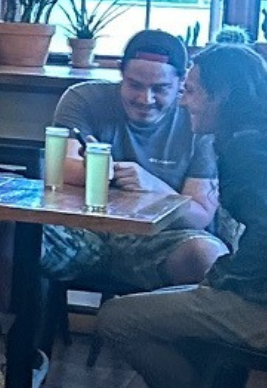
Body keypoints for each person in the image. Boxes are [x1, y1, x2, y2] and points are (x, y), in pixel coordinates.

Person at [99, 43, 267, 388]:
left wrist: (222, 278)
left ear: (221, 96)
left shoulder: (250, 148)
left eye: (190, 91)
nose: (183, 101)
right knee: (182, 307)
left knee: (118, 318)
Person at [43, 28, 226, 293]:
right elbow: (60, 169)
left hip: (157, 239)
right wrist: (99, 170)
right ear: (121, 73)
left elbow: (200, 215)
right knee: (3, 231)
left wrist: (153, 187)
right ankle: (7, 318)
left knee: (207, 254)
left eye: (160, 89)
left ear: (181, 81)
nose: (145, 99)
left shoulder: (197, 119)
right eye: (135, 85)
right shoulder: (82, 98)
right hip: (84, 229)